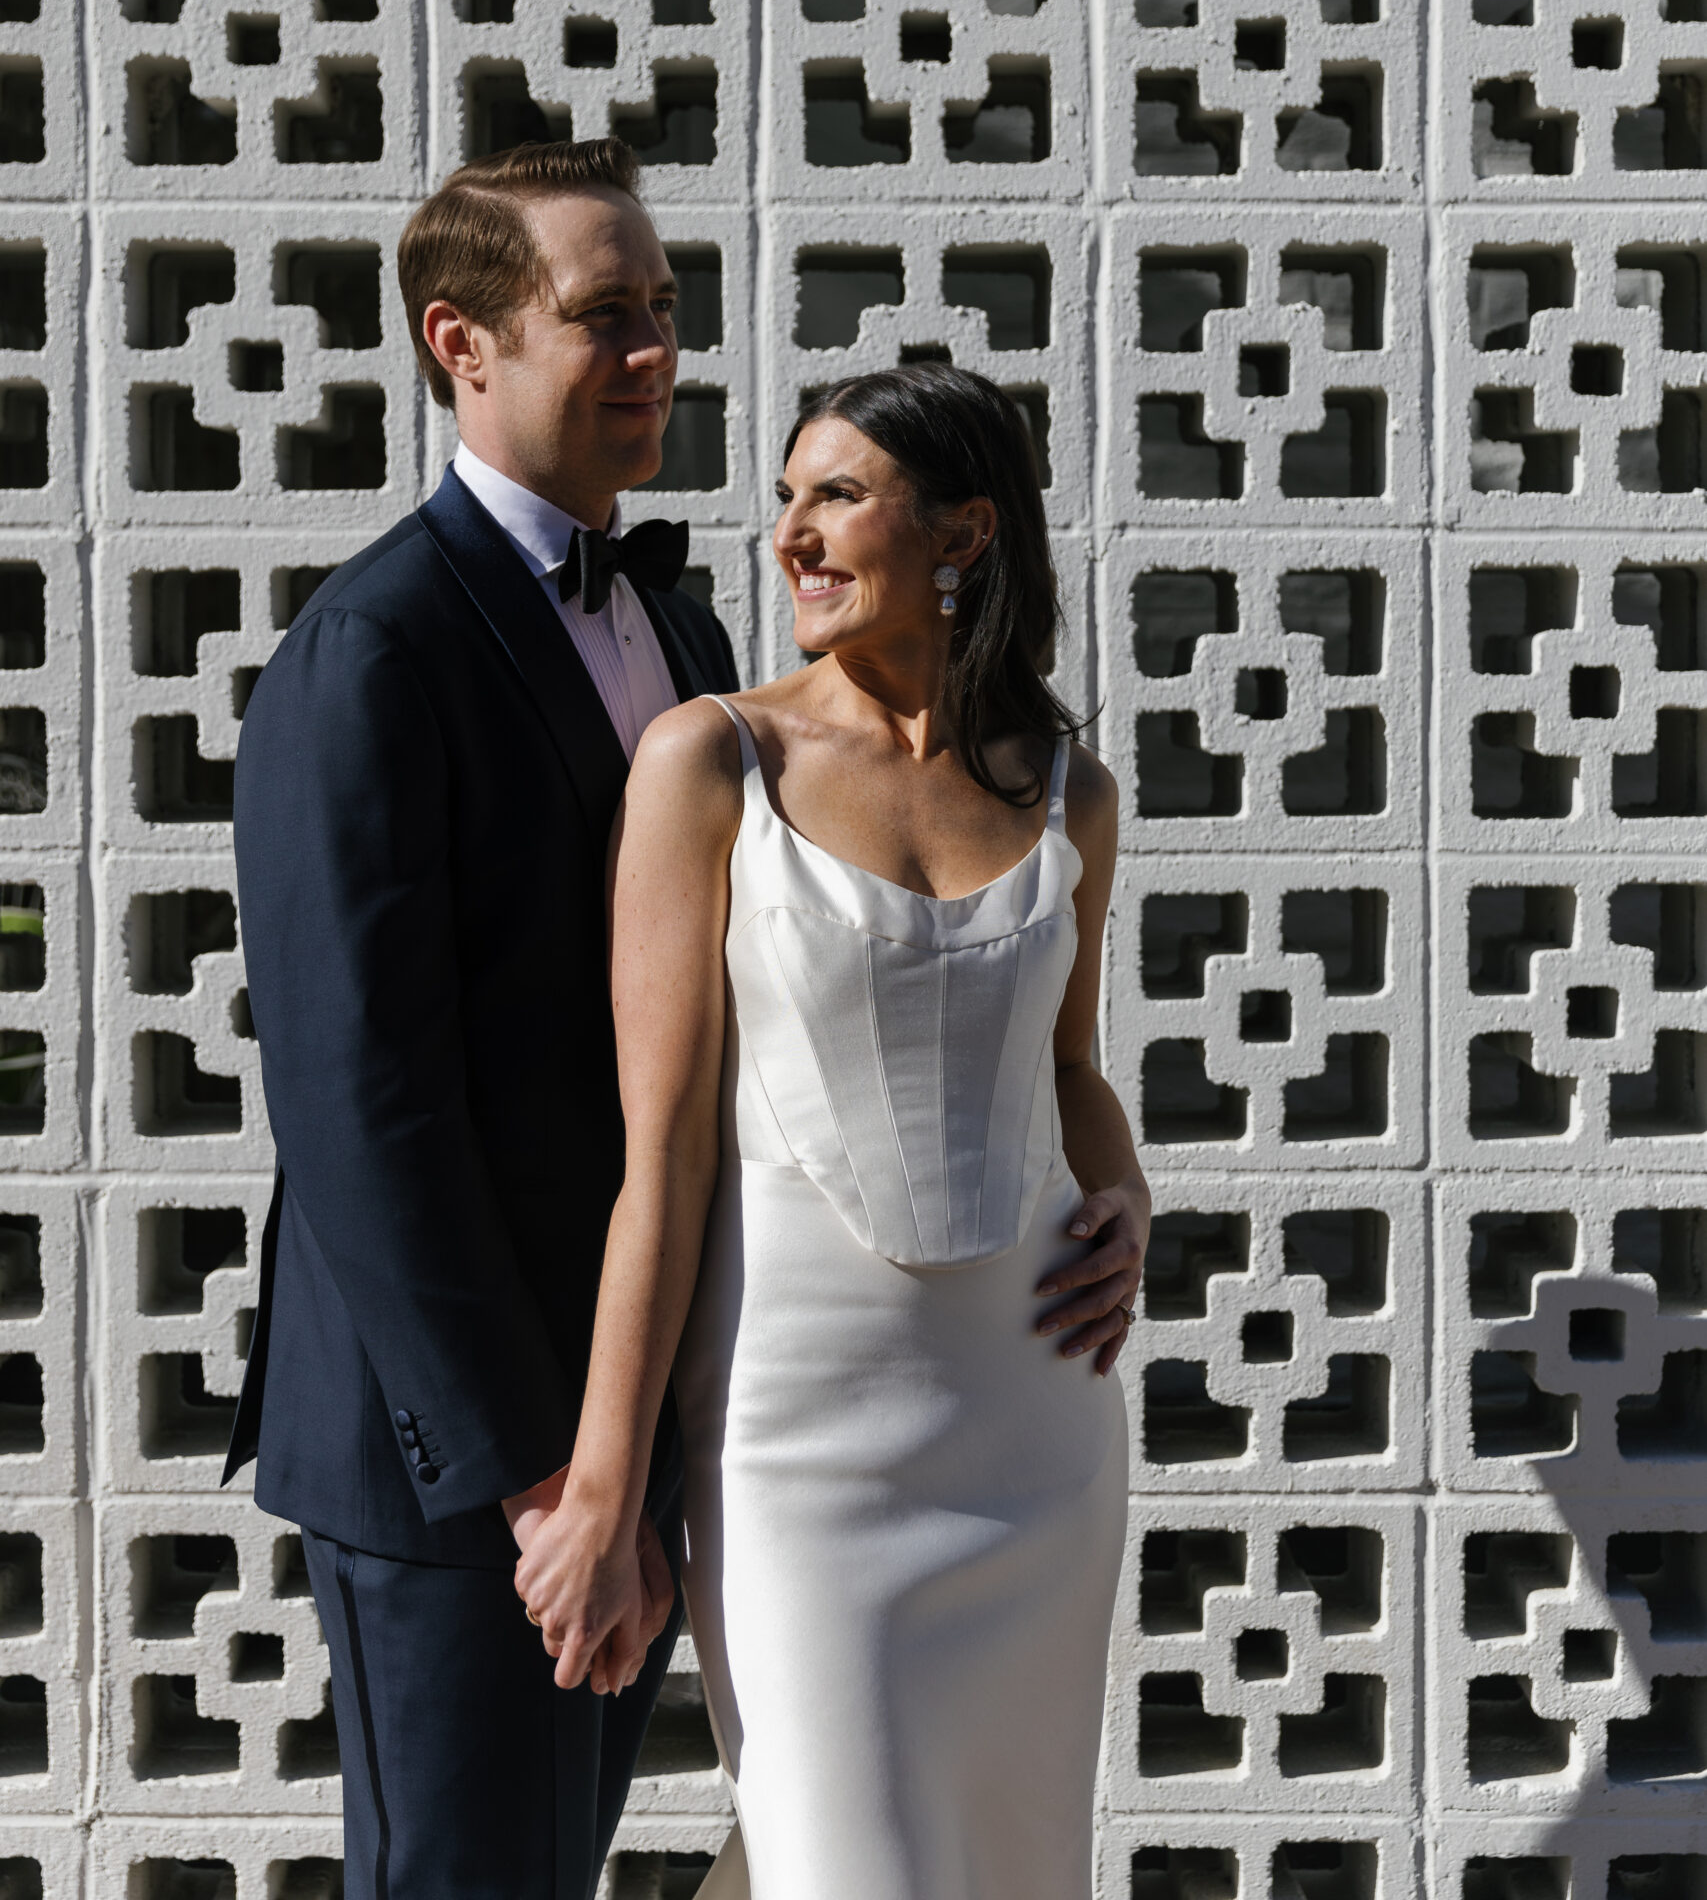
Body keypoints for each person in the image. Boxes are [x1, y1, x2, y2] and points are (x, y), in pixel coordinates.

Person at [515, 362, 1150, 1900]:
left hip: (1035, 1422)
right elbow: (655, 1156)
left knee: (1004, 1872)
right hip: (796, 1444)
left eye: (837, 496)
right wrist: (603, 1483)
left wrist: (1126, 1184)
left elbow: (1066, 1063)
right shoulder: (710, 761)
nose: (789, 533)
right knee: (837, 1866)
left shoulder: (1069, 792)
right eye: (789, 496)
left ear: (965, 535)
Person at [223, 139, 738, 1900]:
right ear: (464, 343)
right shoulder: (371, 652)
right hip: (465, 1474)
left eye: (666, 310)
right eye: (606, 316)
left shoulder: (681, 622)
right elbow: (364, 1111)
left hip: (636, 1422)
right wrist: (535, 1481)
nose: (657, 352)